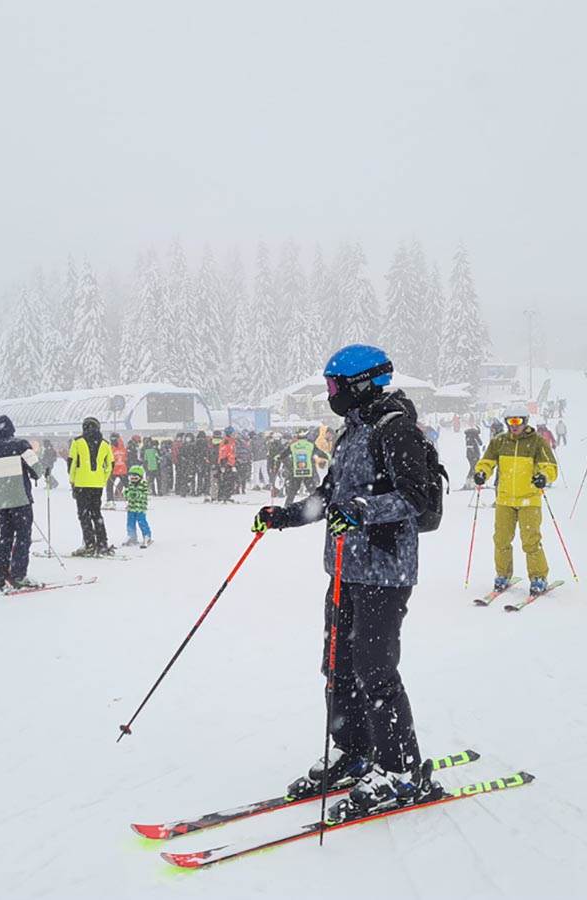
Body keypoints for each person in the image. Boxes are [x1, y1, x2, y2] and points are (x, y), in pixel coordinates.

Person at [252, 344, 439, 820]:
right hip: (344, 569)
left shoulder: (395, 429)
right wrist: (287, 515)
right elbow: (328, 496)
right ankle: (354, 750)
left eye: (334, 385)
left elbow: (416, 499)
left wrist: (363, 512)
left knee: (374, 668)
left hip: (385, 569)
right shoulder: (350, 433)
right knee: (337, 665)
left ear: (359, 384)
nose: (330, 394)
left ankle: (401, 770)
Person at [473, 404, 558, 595]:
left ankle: (538, 577)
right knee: (501, 539)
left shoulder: (537, 442)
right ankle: (503, 575)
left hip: (529, 499)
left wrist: (543, 476)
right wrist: (481, 472)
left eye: (517, 421)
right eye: (510, 421)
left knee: (530, 541)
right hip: (505, 500)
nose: (514, 425)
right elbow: (487, 462)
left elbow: (549, 466)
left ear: (525, 421)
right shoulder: (499, 442)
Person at [0, 415, 42, 590]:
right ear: (11, 428)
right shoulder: (21, 446)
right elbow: (38, 470)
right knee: (22, 537)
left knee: (5, 537)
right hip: (21, 499)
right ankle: (18, 574)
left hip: (0, 501)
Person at [69, 416, 114, 556]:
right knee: (96, 513)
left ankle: (89, 544)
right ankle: (102, 543)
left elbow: (71, 463)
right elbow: (110, 465)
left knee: (84, 515)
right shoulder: (105, 444)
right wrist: (102, 478)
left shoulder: (77, 442)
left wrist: (73, 481)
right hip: (97, 485)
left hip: (81, 483)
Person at [283, 430, 328, 505]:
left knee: (292, 493)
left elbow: (284, 454)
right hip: (308, 472)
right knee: (312, 491)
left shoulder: (293, 446)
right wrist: (327, 456)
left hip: (297, 472)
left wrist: (278, 458)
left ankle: (286, 507)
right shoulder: (310, 445)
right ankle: (318, 506)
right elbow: (320, 453)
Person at [123, 464, 153, 547]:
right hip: (131, 508)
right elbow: (127, 494)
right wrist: (126, 493)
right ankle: (131, 536)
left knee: (142, 522)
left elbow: (144, 494)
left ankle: (147, 536)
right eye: (131, 477)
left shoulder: (144, 485)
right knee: (130, 523)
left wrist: (136, 494)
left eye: (135, 477)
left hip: (140, 508)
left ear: (140, 477)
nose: (133, 479)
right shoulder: (130, 484)